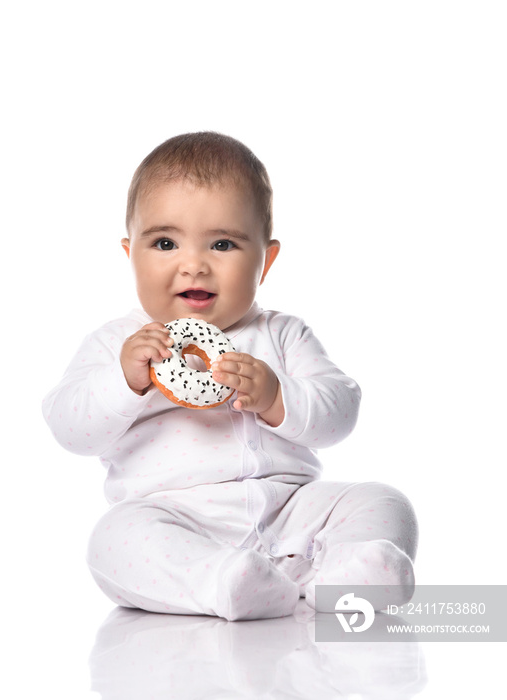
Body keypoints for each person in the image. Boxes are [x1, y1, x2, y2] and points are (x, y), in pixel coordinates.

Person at [42, 132, 418, 620]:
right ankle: (225, 582)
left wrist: (277, 397)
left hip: (292, 513)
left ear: (266, 259)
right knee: (113, 540)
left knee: (383, 500)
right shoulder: (120, 344)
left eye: (222, 243)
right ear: (129, 252)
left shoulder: (282, 333)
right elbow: (68, 427)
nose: (193, 264)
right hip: (178, 521)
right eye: (164, 242)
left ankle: (348, 573)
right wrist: (124, 382)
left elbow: (341, 409)